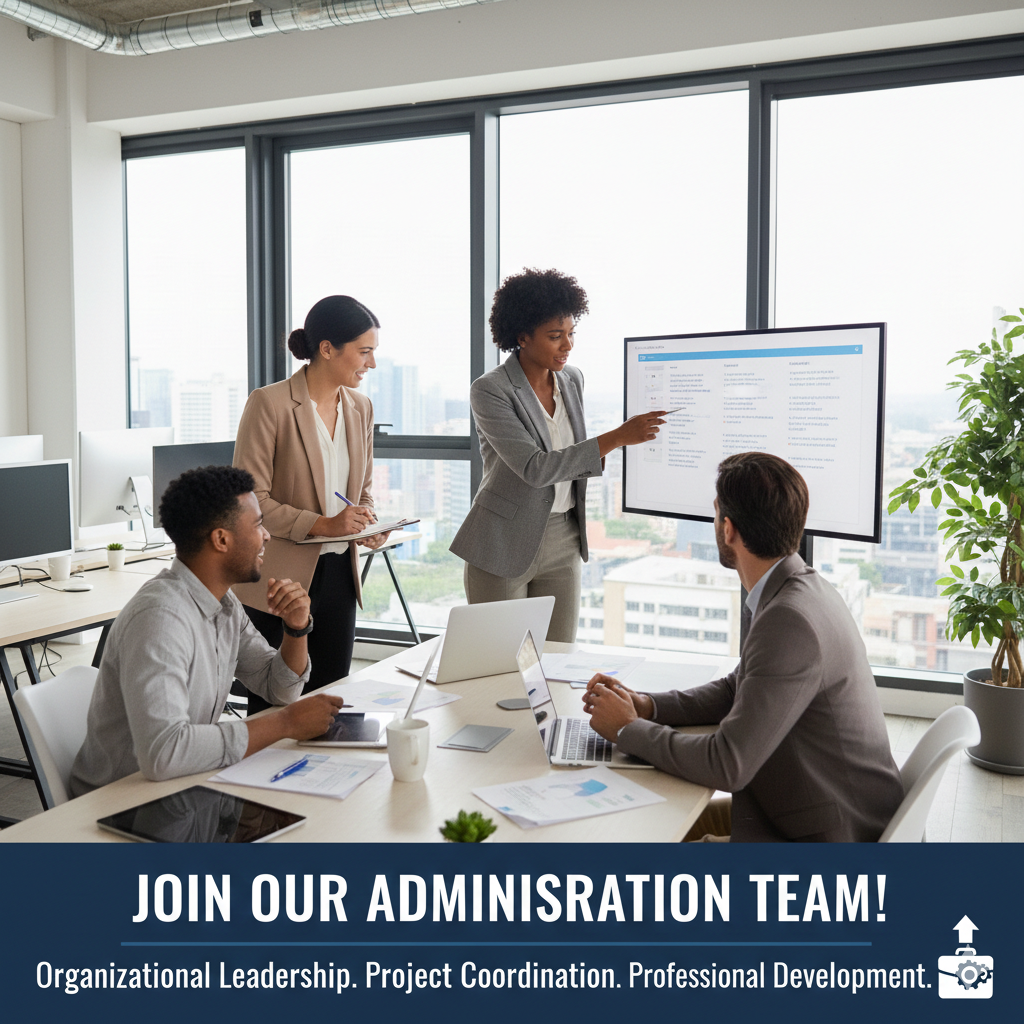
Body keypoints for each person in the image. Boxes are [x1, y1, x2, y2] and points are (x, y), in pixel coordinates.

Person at [582, 451, 904, 842]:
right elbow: (739, 686)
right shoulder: (801, 589)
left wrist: (628, 729)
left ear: (729, 528)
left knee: (637, 840)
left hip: (825, 839)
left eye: (716, 514)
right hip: (814, 812)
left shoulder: (790, 620)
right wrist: (649, 705)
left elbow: (727, 763)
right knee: (653, 820)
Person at [69, 466, 345, 796]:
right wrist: (285, 724)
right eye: (258, 525)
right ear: (221, 539)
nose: (267, 536)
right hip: (118, 803)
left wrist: (296, 628)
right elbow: (165, 752)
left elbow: (279, 689)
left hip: (182, 788)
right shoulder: (160, 619)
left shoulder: (223, 603)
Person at [450, 268, 666, 642]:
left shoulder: (572, 380)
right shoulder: (490, 390)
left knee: (558, 658)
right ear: (522, 337)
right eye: (555, 336)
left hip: (564, 537)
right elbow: (535, 468)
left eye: (570, 334)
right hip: (504, 539)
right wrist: (616, 437)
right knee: (500, 665)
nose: (567, 345)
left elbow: (574, 455)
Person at [233, 294, 389, 710]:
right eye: (364, 352)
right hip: (280, 578)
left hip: (339, 572)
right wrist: (325, 524)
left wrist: (367, 523)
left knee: (331, 698)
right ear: (327, 349)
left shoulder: (360, 407)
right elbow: (251, 500)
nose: (371, 364)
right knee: (274, 703)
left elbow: (363, 491)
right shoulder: (270, 403)